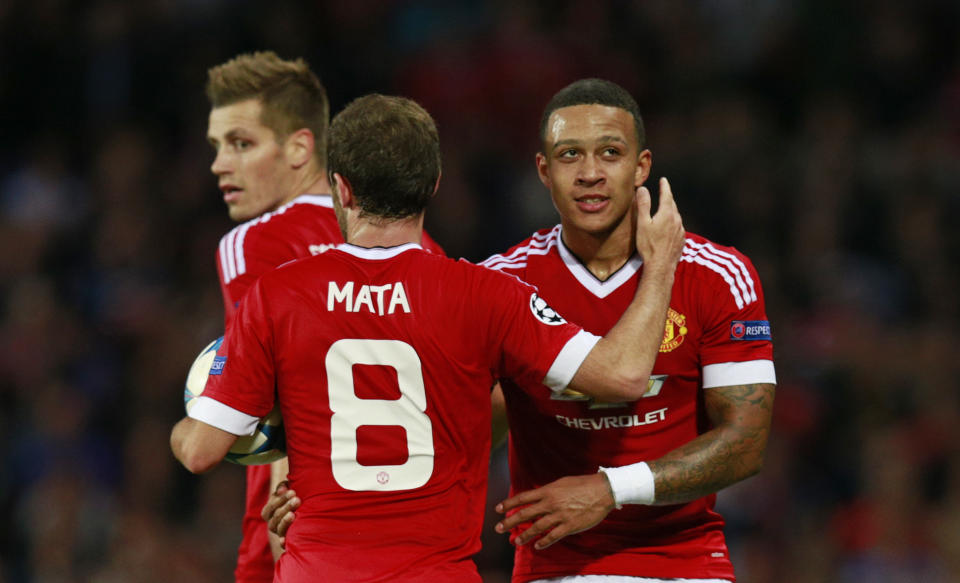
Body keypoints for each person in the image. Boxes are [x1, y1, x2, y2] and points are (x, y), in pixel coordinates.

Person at [171, 94, 686, 582]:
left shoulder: (277, 295)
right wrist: (660, 264)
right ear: (434, 184)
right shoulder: (485, 295)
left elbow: (199, 452)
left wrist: (195, 428)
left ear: (340, 189)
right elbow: (623, 375)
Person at [483, 78, 777, 582]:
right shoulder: (502, 284)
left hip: (683, 562)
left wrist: (610, 489)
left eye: (610, 153)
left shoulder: (719, 275)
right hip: (554, 565)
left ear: (642, 166)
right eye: (570, 155)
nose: (590, 174)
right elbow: (461, 432)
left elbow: (746, 443)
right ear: (544, 171)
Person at [202, 51, 443, 583]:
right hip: (418, 543)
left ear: (299, 147)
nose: (220, 164)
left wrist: (286, 553)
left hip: (304, 550)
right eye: (217, 147)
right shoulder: (426, 250)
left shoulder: (253, 245)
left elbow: (282, 406)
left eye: (241, 144)